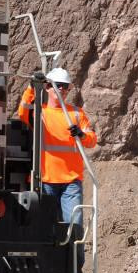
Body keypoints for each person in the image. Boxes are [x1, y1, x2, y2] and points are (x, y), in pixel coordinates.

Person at [17, 68, 98, 225]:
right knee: (46, 227)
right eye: (58, 85)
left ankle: (74, 250)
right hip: (46, 180)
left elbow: (92, 140)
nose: (62, 89)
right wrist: (31, 88)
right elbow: (23, 111)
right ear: (47, 87)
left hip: (71, 182)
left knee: (74, 227)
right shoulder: (40, 112)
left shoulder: (76, 114)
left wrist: (81, 134)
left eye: (65, 86)